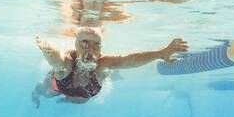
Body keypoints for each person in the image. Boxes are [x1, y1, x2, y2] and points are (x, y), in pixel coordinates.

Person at [32, 27, 189, 107]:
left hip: (82, 95)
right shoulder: (68, 62)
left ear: (101, 48)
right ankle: (36, 94)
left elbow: (129, 60)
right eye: (85, 44)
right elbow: (57, 60)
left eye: (96, 46)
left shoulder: (103, 64)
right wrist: (47, 49)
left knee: (79, 101)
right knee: (45, 92)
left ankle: (66, 100)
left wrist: (160, 54)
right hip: (58, 85)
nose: (90, 50)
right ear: (76, 45)